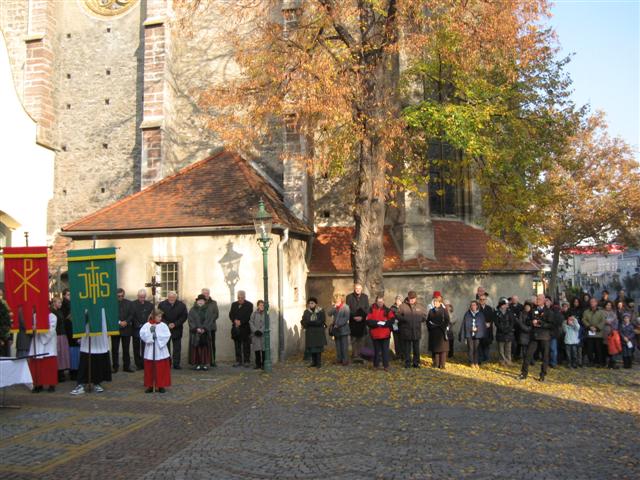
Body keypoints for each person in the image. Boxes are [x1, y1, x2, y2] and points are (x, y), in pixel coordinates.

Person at [71, 315, 112, 395]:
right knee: (85, 358)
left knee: (98, 356)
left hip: (100, 333)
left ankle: (97, 382)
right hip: (87, 332)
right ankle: (81, 384)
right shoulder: (84, 302)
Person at [519, 294, 553, 382]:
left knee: (545, 356)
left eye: (539, 299)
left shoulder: (549, 311)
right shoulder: (533, 310)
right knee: (528, 354)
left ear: (544, 300)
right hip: (534, 336)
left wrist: (540, 323)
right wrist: (532, 322)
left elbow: (551, 324)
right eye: (537, 299)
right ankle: (524, 373)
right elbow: (527, 320)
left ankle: (543, 375)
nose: (537, 300)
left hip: (544, 336)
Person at [140, 309, 171, 393]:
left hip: (160, 350)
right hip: (150, 350)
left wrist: (156, 335)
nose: (160, 318)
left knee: (161, 369)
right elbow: (142, 334)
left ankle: (161, 385)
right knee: (150, 369)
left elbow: (167, 335)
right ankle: (150, 385)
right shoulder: (147, 325)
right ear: (153, 316)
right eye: (159, 316)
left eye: (161, 317)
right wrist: (150, 335)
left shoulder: (163, 325)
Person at [28, 309, 58, 393]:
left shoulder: (52, 316)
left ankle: (51, 384)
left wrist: (39, 329)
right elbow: (31, 328)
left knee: (49, 365)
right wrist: (32, 329)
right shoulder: (34, 316)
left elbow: (51, 330)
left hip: (49, 344)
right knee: (37, 365)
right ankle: (38, 384)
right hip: (37, 342)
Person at [396, 291, 427, 368]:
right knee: (407, 349)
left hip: (416, 330)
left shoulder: (420, 306)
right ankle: (407, 363)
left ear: (416, 298)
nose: (412, 300)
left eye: (413, 298)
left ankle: (416, 363)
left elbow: (424, 316)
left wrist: (419, 319)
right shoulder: (403, 306)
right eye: (411, 298)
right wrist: (405, 319)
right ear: (408, 298)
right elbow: (397, 315)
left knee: (416, 348)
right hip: (407, 331)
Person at [158, 291, 188, 370]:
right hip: (165, 329)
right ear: (167, 297)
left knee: (177, 348)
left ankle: (176, 364)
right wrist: (167, 324)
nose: (171, 299)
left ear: (176, 297)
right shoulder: (162, 304)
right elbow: (159, 315)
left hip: (177, 329)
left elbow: (184, 316)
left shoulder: (181, 305)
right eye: (170, 297)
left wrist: (175, 324)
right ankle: (167, 363)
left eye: (173, 297)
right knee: (166, 348)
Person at [366, 295, 394, 370]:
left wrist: (385, 324)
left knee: (385, 351)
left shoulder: (388, 310)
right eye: (378, 301)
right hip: (375, 334)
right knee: (376, 351)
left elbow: (392, 320)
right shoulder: (371, 309)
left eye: (381, 301)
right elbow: (368, 320)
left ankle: (386, 366)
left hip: (385, 334)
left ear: (383, 301)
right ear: (376, 301)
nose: (380, 303)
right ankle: (376, 365)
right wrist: (377, 323)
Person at [188, 294, 214, 371]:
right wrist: (196, 328)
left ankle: (205, 364)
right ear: (197, 301)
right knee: (196, 349)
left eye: (202, 301)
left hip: (205, 333)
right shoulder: (192, 310)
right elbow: (190, 320)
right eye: (199, 301)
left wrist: (204, 328)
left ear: (204, 302)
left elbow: (210, 320)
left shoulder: (208, 310)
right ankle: (197, 364)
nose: (200, 302)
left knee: (205, 349)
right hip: (195, 333)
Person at [459, 300, 486, 369]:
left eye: (474, 305)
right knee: (471, 349)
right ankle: (471, 362)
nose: (473, 306)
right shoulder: (467, 314)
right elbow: (465, 324)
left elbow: (482, 324)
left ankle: (476, 362)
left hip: (478, 334)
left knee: (476, 349)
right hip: (469, 334)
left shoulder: (480, 314)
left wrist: (478, 329)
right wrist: (468, 330)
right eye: (472, 305)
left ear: (477, 306)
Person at [229, 290, 253, 368]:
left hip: (245, 328)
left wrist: (241, 322)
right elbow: (231, 314)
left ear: (244, 297)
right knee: (237, 345)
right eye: (238, 297)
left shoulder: (249, 305)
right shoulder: (234, 304)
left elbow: (248, 316)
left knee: (246, 345)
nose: (240, 299)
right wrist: (234, 320)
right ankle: (238, 361)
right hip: (236, 328)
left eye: (241, 298)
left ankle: (247, 361)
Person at [131, 289, 153, 370]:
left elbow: (151, 316)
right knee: (136, 346)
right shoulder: (133, 304)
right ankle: (138, 364)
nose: (142, 299)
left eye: (143, 297)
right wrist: (137, 324)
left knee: (145, 346)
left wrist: (147, 325)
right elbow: (132, 315)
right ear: (137, 296)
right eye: (140, 297)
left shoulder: (150, 305)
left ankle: (145, 363)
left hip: (146, 328)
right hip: (136, 328)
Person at [346, 284, 369, 363]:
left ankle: (360, 355)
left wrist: (362, 317)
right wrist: (353, 317)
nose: (358, 289)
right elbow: (348, 309)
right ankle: (355, 355)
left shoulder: (365, 297)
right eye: (356, 288)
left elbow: (367, 309)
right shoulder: (349, 297)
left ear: (361, 289)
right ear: (354, 289)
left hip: (362, 322)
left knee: (361, 339)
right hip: (353, 321)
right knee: (354, 339)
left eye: (359, 288)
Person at [426, 292, 450, 369]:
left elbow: (447, 320)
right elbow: (428, 321)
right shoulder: (431, 311)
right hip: (434, 332)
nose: (435, 303)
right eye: (434, 302)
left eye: (436, 302)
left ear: (440, 302)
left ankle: (442, 365)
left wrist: (441, 326)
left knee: (443, 350)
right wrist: (431, 327)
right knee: (436, 349)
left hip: (442, 332)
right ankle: (436, 364)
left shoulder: (444, 310)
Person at [112, 288, 134, 373]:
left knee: (126, 349)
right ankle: (115, 366)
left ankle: (126, 366)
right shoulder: (112, 303)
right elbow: (111, 314)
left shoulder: (129, 303)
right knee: (115, 349)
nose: (120, 297)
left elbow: (132, 314)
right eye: (118, 296)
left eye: (122, 296)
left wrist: (126, 321)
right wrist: (119, 322)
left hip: (126, 328)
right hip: (116, 329)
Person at [301, 297, 327, 368]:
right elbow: (304, 320)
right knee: (312, 348)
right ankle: (313, 362)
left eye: (312, 303)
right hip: (310, 333)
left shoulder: (320, 311)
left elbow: (322, 321)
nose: (310, 304)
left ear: (315, 304)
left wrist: (311, 322)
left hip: (318, 332)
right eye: (309, 303)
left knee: (318, 348)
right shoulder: (306, 311)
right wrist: (305, 323)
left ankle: (318, 363)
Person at [327, 293, 350, 366]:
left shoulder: (346, 307)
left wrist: (338, 324)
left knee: (344, 345)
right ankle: (339, 359)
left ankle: (345, 360)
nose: (337, 301)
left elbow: (346, 318)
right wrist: (334, 307)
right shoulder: (335, 307)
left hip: (343, 329)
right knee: (338, 345)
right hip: (336, 330)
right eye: (335, 300)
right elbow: (329, 314)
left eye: (338, 300)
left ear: (341, 300)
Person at [51, 297, 70, 382]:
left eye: (61, 303)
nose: (60, 304)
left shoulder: (59, 311)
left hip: (62, 334)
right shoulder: (52, 312)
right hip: (57, 335)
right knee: (58, 353)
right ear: (54, 303)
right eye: (58, 303)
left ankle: (61, 372)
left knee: (62, 354)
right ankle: (58, 373)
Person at [582, 297, 605, 367]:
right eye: (591, 302)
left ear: (596, 303)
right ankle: (590, 361)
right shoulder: (586, 312)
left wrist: (597, 328)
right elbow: (584, 320)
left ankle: (599, 362)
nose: (592, 303)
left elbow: (603, 321)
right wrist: (589, 326)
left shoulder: (601, 312)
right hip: (589, 333)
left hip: (598, 333)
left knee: (598, 349)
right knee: (590, 348)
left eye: (593, 302)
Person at [201, 288, 219, 367]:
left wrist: (209, 322)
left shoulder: (214, 303)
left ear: (209, 294)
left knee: (212, 344)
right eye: (204, 293)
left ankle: (212, 361)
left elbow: (216, 314)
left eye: (207, 293)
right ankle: (203, 361)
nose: (206, 295)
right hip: (202, 327)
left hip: (211, 327)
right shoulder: (199, 302)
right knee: (202, 344)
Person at [494, 298, 515, 366]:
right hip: (500, 333)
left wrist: (509, 329)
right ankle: (502, 361)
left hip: (508, 333)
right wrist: (502, 329)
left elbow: (512, 321)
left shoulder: (509, 312)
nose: (507, 305)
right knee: (501, 349)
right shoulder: (497, 312)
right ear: (502, 305)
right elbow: (496, 323)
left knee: (508, 349)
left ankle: (508, 361)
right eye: (506, 304)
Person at [477, 294, 494, 364]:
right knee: (479, 345)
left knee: (486, 345)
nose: (482, 301)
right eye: (480, 299)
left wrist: (490, 323)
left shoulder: (489, 308)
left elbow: (492, 318)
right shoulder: (477, 308)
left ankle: (486, 359)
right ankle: (480, 360)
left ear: (486, 300)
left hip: (487, 330)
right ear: (479, 300)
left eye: (483, 299)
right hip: (479, 330)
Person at [249, 300, 266, 370]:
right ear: (258, 306)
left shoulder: (266, 314)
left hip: (263, 335)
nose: (262, 306)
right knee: (257, 350)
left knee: (263, 349)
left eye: (263, 305)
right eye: (260, 305)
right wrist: (255, 330)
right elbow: (251, 322)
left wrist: (261, 330)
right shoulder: (254, 314)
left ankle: (263, 364)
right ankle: (258, 364)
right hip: (255, 335)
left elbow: (267, 323)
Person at [390, 295, 404, 361]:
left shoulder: (404, 307)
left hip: (402, 326)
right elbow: (391, 316)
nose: (398, 301)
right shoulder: (392, 308)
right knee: (396, 341)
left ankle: (402, 354)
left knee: (402, 341)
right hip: (395, 326)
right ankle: (398, 355)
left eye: (399, 300)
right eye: (397, 300)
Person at [0, 292, 11, 357]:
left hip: (5, 337)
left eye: (1, 295)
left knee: (5, 357)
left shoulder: (5, 305)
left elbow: (9, 323)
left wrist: (10, 338)